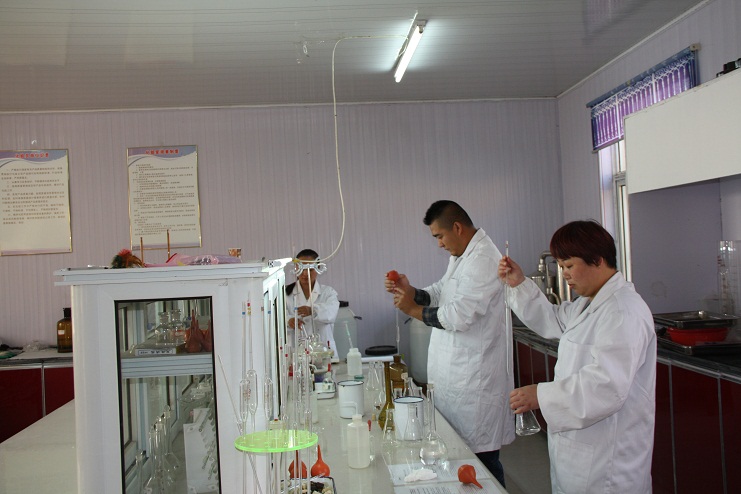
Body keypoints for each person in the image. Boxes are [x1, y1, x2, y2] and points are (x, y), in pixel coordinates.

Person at [499, 220, 656, 494]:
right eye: (561, 267)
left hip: (608, 464)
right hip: (581, 453)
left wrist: (541, 395)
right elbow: (552, 319)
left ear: (597, 259)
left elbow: (605, 386)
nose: (565, 275)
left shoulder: (622, 311)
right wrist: (519, 284)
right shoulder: (588, 303)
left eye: (569, 266)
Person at [386, 200, 514, 487]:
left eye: (440, 236)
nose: (439, 244)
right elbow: (441, 291)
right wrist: (411, 291)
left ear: (457, 227)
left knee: (483, 466)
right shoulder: (463, 255)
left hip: (475, 386)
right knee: (463, 463)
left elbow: (458, 316)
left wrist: (412, 309)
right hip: (457, 382)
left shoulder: (483, 259)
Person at [286, 249, 340, 355]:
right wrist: (289, 321)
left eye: (310, 270)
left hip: (324, 350)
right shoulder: (285, 293)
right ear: (296, 268)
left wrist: (313, 310)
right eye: (301, 269)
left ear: (318, 268)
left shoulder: (328, 292)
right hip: (296, 350)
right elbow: (277, 319)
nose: (305, 274)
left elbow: (331, 314)